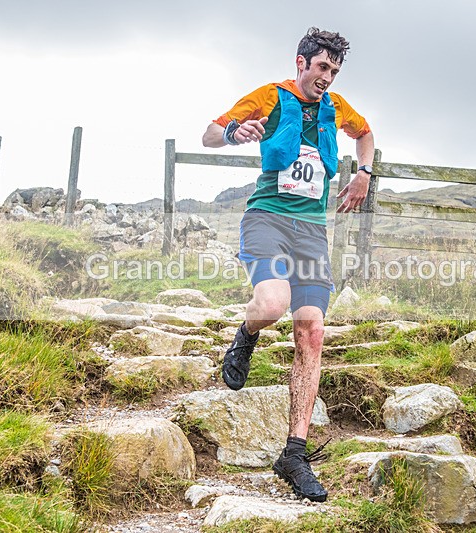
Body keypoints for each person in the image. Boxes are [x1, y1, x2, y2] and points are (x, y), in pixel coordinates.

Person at [202, 27, 374, 502]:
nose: (327, 77)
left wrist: (363, 173)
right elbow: (210, 133)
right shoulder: (270, 96)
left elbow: (365, 133)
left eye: (334, 70)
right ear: (301, 63)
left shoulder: (338, 107)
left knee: (312, 331)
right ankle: (246, 335)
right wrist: (234, 132)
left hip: (312, 233)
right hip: (267, 220)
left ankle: (294, 454)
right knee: (272, 304)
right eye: (322, 67)